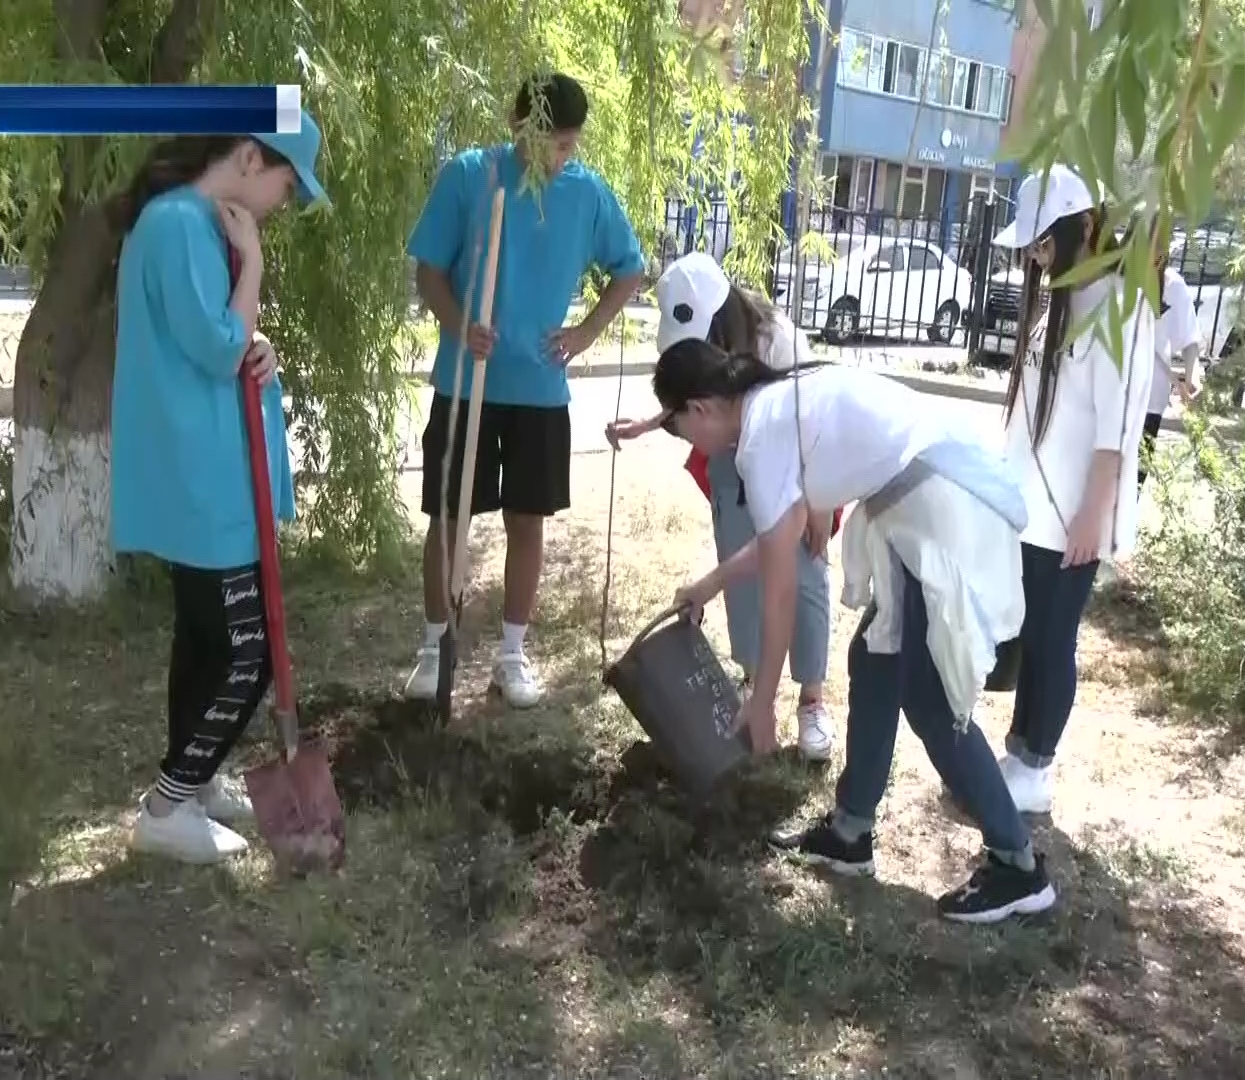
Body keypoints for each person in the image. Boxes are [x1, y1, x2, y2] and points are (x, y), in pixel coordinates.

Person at [657, 338, 1057, 923]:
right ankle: (850, 832)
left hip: (941, 500)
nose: (693, 445)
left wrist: (763, 698)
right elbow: (781, 540)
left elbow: (781, 587)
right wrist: (712, 583)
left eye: (682, 431)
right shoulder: (770, 406)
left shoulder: (764, 431)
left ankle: (1017, 865)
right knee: (874, 659)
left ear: (699, 409)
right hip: (912, 501)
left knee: (926, 691)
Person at [109, 119, 330, 864]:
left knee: (204, 641)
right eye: (285, 182)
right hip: (202, 479)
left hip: (207, 472)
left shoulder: (190, 223)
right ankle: (169, 802)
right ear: (247, 157)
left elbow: (221, 338)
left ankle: (195, 781)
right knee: (248, 653)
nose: (283, 199)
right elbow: (213, 347)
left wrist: (255, 343)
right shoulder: (177, 224)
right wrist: (254, 268)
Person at [401, 72, 645, 709]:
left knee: (527, 520)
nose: (562, 157)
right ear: (520, 129)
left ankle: (511, 656)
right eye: (552, 143)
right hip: (467, 380)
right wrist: (460, 325)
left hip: (539, 386)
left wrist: (587, 331)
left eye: (569, 146)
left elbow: (630, 269)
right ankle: (434, 649)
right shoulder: (470, 176)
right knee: (449, 516)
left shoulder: (586, 193)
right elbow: (428, 272)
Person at [604, 253, 835, 760]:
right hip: (734, 458)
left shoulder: (777, 339)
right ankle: (758, 690)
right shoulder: (704, 352)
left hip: (799, 465)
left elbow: (813, 426)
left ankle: (812, 700)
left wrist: (820, 503)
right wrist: (645, 425)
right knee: (743, 567)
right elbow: (690, 404)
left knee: (805, 570)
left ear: (720, 318)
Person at [990, 165, 1154, 816]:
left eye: (1042, 241)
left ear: (1084, 228)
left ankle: (1037, 764)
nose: (1034, 256)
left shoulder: (1119, 306)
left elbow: (1116, 428)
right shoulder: (1052, 303)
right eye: (1029, 245)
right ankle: (1018, 748)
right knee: (1030, 631)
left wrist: (1094, 512)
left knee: (1056, 638)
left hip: (1075, 516)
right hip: (1033, 507)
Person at [1139, 255, 1202, 489]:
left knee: (1134, 482)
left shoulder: (1174, 285)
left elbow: (1189, 338)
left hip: (1150, 403)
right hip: (1112, 397)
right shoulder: (1116, 276)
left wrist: (1192, 375)